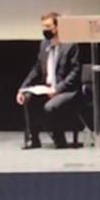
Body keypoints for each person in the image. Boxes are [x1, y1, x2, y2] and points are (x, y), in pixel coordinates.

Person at [15, 12, 82, 149]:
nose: (45, 30)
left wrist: (57, 89)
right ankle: (33, 140)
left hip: (67, 90)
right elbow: (36, 69)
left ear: (57, 27)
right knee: (28, 98)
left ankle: (60, 140)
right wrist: (22, 88)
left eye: (48, 26)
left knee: (50, 107)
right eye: (43, 27)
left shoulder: (70, 45)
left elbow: (75, 72)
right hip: (47, 87)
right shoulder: (44, 44)